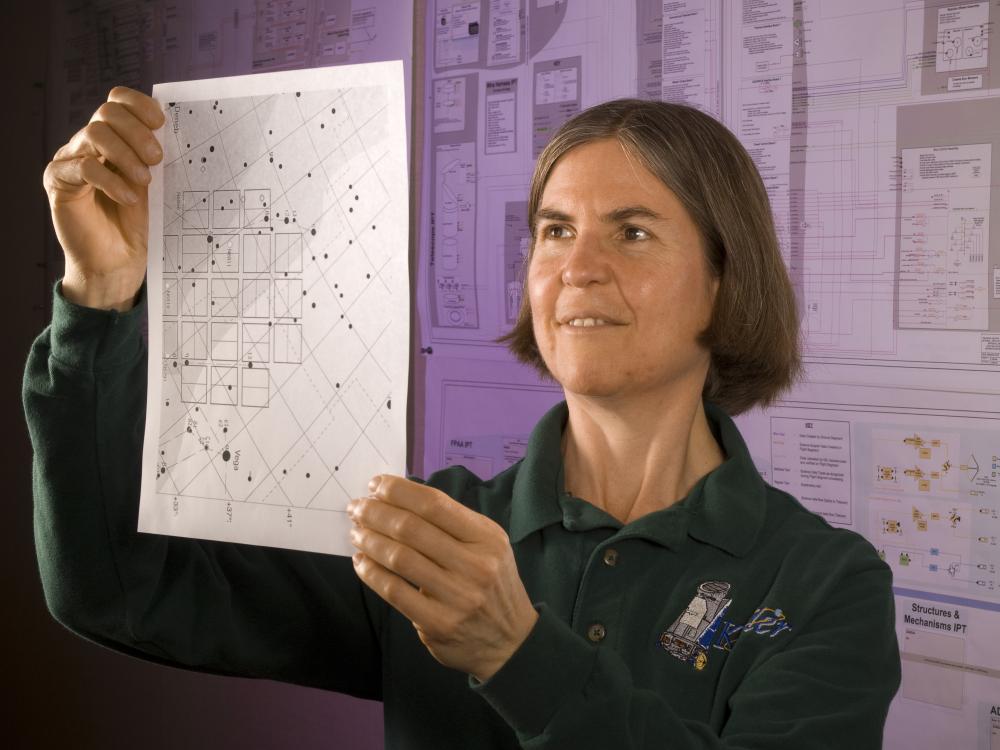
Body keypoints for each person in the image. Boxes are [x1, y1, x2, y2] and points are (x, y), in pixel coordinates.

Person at [25, 87, 900, 748]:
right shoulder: (428, 532)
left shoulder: (825, 586)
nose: (576, 268)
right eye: (555, 231)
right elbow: (119, 590)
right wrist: (99, 299)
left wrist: (517, 652)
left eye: (631, 232)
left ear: (724, 277)